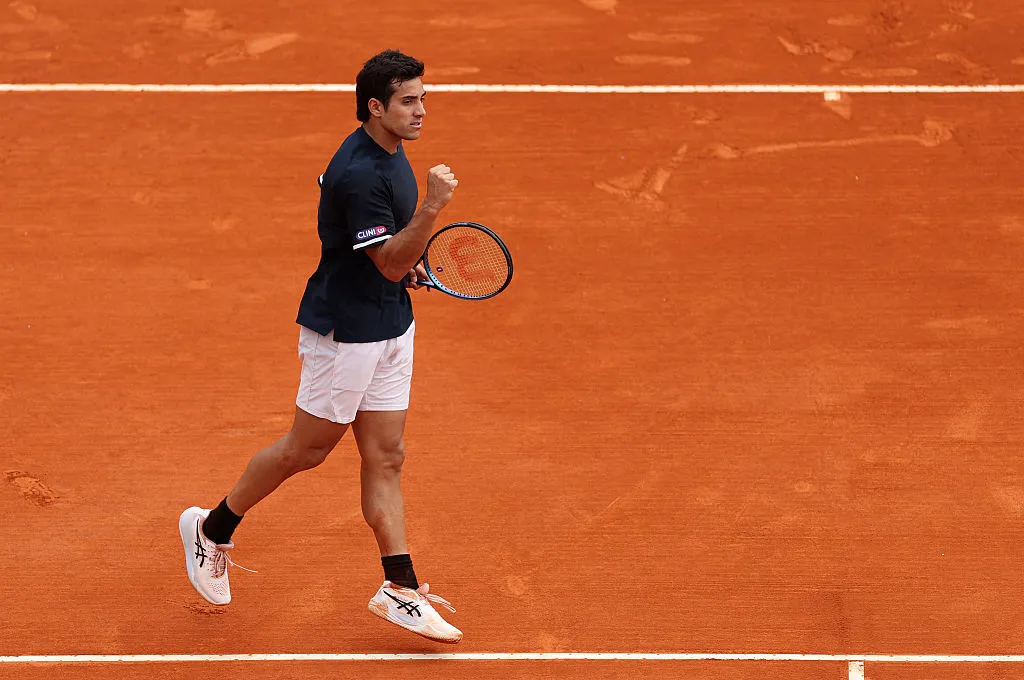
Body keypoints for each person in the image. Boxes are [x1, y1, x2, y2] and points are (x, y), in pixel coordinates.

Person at [178, 49, 462, 644]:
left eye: (423, 99)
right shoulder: (358, 173)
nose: (421, 111)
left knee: (387, 456)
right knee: (306, 451)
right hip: (345, 334)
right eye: (409, 101)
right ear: (376, 107)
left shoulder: (390, 150)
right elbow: (388, 260)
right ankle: (211, 529)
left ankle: (400, 588)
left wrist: (405, 261)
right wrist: (433, 207)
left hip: (391, 324)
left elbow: (387, 254)